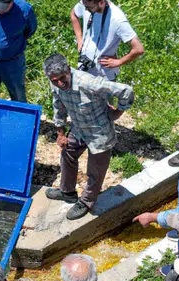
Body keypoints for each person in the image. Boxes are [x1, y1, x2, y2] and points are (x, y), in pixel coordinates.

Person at [42, 54, 136, 221]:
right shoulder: (55, 83)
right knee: (67, 153)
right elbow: (58, 105)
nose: (60, 84)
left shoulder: (88, 82)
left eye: (62, 78)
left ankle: (86, 202)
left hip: (99, 133)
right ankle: (67, 192)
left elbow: (125, 90)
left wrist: (118, 111)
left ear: (69, 70)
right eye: (55, 80)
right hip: (78, 128)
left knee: (95, 171)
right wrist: (60, 133)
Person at [69, 0, 145, 81]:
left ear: (101, 2)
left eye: (89, 8)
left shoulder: (117, 19)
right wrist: (80, 41)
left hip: (103, 76)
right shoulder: (87, 4)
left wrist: (119, 62)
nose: (85, 9)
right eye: (85, 6)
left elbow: (139, 49)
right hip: (84, 69)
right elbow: (73, 14)